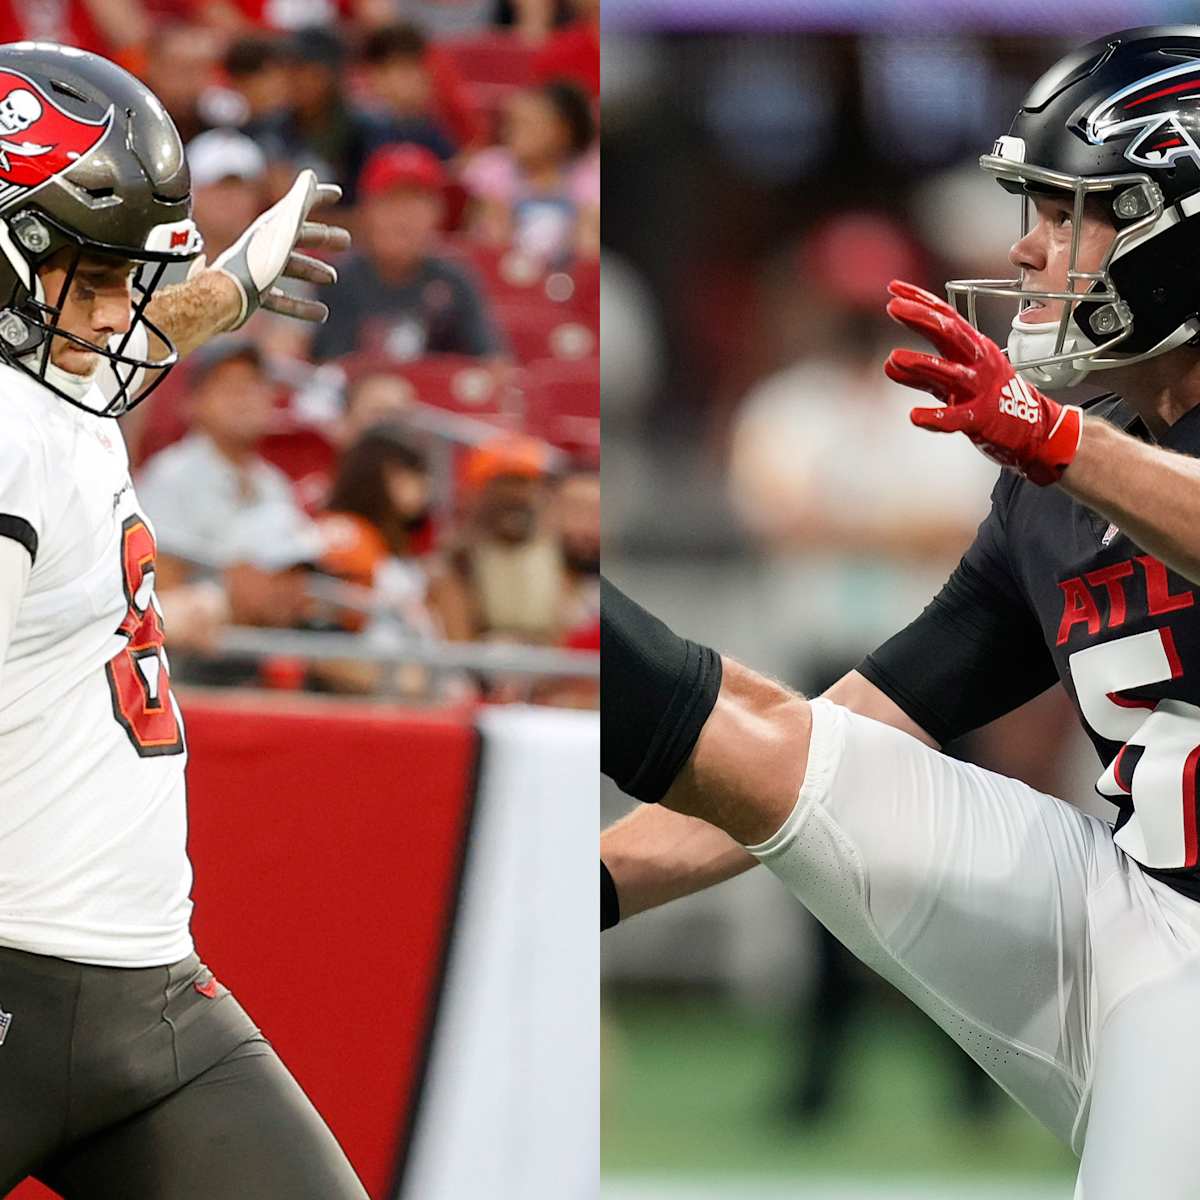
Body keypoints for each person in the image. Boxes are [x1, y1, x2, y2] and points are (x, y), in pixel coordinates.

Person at [601, 27, 1200, 1198]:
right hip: (1119, 901)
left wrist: (1059, 441)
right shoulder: (1056, 492)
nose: (1028, 251)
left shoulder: (1068, 455)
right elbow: (840, 742)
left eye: (1070, 212)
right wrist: (598, 885)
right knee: (778, 746)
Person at [0, 43, 366, 1195]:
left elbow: (123, 358)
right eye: (93, 275)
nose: (119, 313)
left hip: (153, 998)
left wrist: (230, 290)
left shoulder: (47, 388)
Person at [311, 143, 508, 363]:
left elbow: (494, 364)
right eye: (390, 202)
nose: (403, 218)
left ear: (437, 212)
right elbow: (325, 367)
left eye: (415, 203)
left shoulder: (455, 281)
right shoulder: (337, 280)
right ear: (366, 211)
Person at [462, 78, 599, 265]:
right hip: (506, 272)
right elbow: (487, 239)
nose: (511, 133)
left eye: (527, 125)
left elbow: (588, 248)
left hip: (566, 277)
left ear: (563, 132)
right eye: (511, 124)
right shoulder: (493, 168)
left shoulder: (587, 177)